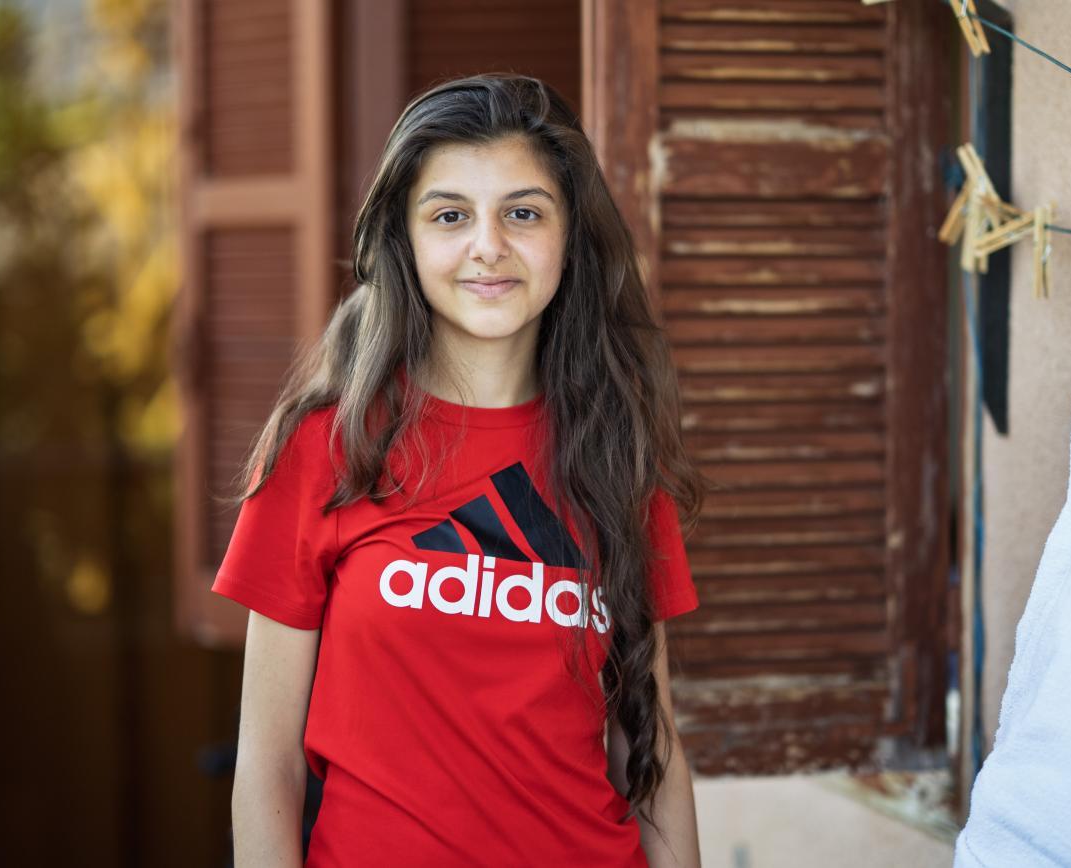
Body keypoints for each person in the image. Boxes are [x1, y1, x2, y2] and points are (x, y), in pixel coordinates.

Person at [212, 72, 708, 868]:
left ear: (569, 236)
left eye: (523, 212)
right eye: (450, 215)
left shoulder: (617, 455)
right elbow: (267, 765)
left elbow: (651, 751)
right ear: (404, 241)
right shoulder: (327, 446)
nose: (489, 245)